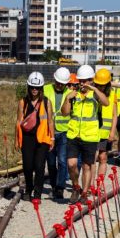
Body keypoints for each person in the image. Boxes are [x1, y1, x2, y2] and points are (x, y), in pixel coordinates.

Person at [61, 65, 107, 202]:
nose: (82, 84)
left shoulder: (95, 95)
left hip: (90, 136)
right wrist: (67, 99)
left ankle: (84, 193)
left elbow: (106, 102)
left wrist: (94, 89)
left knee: (87, 166)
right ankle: (76, 186)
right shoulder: (72, 95)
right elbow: (64, 113)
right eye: (80, 81)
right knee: (71, 164)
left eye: (85, 81)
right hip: (73, 135)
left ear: (91, 80)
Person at [17, 72, 55, 200]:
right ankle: (28, 189)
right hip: (27, 138)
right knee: (27, 166)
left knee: (39, 167)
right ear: (28, 87)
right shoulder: (23, 102)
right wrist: (16, 140)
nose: (34, 90)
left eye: (37, 87)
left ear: (41, 88)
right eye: (32, 87)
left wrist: (52, 138)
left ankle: (37, 193)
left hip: (42, 139)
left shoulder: (46, 102)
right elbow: (18, 122)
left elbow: (50, 121)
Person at [43, 67, 72, 199]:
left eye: (63, 83)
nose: (60, 85)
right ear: (54, 79)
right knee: (50, 162)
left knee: (62, 161)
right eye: (58, 82)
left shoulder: (70, 94)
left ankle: (60, 187)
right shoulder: (45, 89)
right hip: (49, 132)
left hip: (64, 131)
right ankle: (54, 185)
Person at [96, 68, 119, 169]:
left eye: (102, 84)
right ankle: (91, 183)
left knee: (103, 157)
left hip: (105, 132)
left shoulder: (113, 94)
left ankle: (99, 183)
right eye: (98, 84)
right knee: (93, 158)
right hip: (92, 131)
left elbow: (114, 115)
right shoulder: (92, 93)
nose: (100, 87)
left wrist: (112, 132)